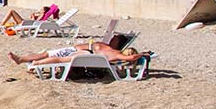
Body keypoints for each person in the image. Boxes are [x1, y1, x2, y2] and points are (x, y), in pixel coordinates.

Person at [8, 44, 146, 66]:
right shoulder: (113, 49)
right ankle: (21, 59)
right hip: (81, 51)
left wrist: (142, 54)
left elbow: (131, 58)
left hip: (86, 55)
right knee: (46, 53)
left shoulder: (118, 55)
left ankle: (36, 63)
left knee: (60, 59)